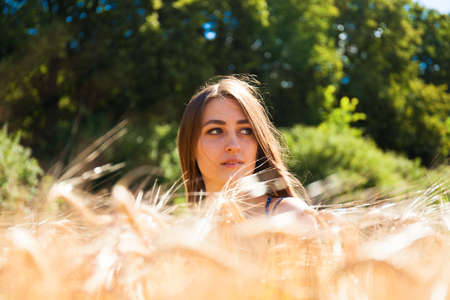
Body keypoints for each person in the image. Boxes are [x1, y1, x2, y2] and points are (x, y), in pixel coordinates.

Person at [177, 75, 310, 217]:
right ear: (190, 147)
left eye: (246, 131)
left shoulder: (290, 216)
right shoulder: (177, 234)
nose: (234, 146)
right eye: (216, 131)